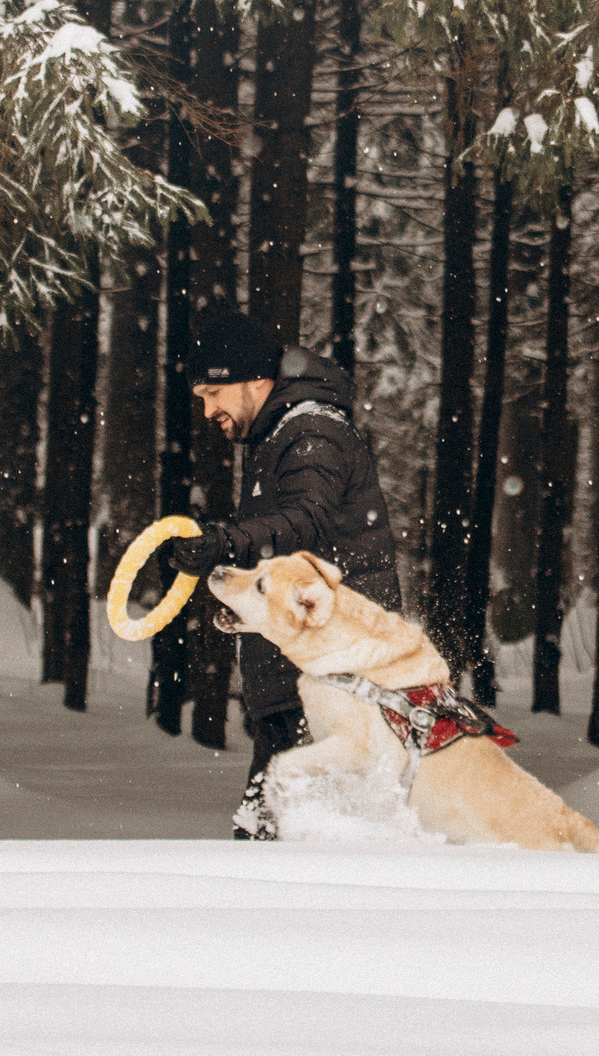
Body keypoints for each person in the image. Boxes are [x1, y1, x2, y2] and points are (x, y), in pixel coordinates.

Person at [162, 310, 403, 839]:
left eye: (213, 394)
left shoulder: (310, 431)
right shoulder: (280, 436)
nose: (207, 411)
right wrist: (247, 606)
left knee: (282, 856)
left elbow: (304, 522)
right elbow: (294, 558)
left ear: (252, 379)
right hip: (303, 685)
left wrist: (226, 542)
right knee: (279, 852)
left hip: (328, 686)